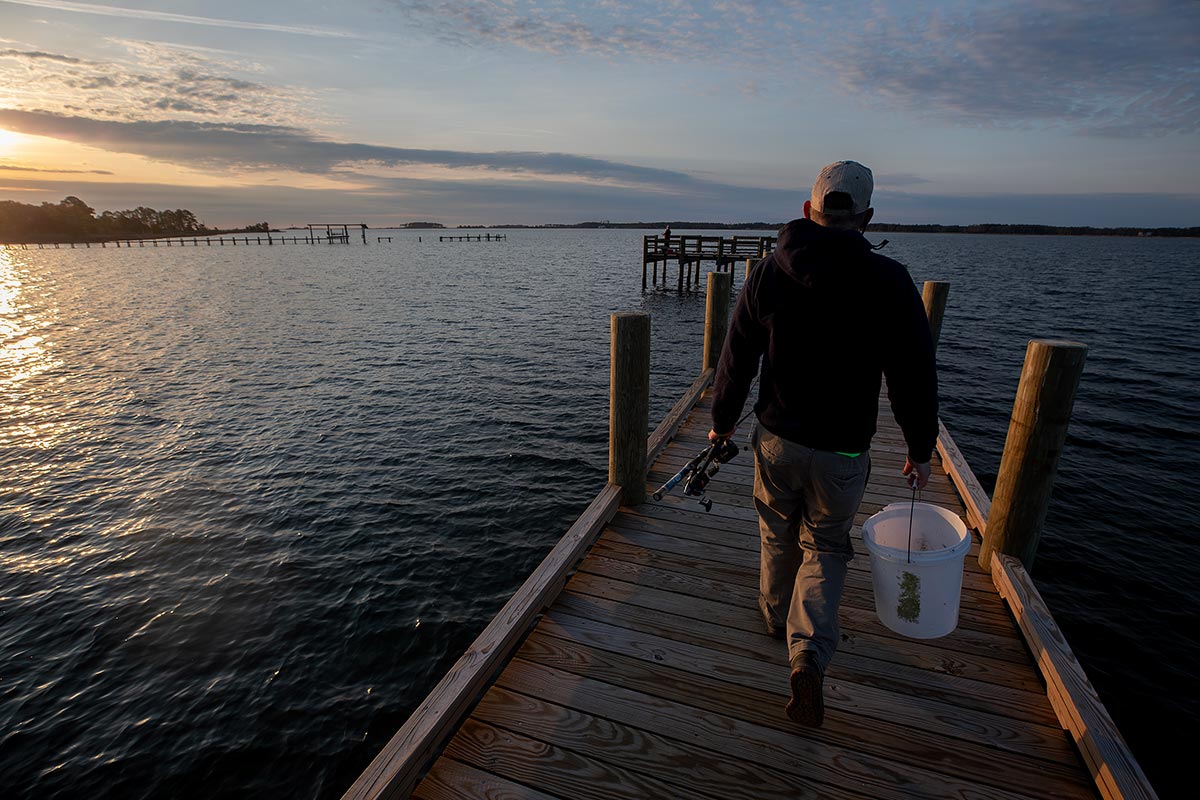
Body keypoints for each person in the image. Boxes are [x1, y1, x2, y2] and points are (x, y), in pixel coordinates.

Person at [708, 160, 938, 727]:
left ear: (810, 210)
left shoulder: (768, 271)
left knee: (775, 529)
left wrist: (722, 420)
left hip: (777, 439)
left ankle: (773, 617)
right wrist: (920, 447)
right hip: (845, 451)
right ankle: (807, 650)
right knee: (827, 547)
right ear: (867, 217)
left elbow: (737, 355)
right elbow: (913, 374)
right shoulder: (890, 280)